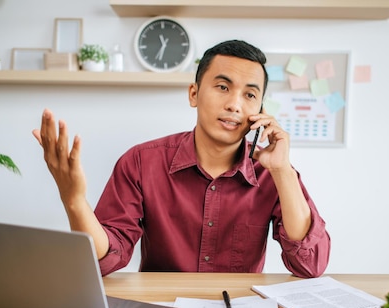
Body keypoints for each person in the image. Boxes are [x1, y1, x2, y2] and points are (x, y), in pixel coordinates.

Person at [32, 40, 330, 278]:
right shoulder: (140, 162)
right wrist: (74, 200)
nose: (234, 105)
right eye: (223, 87)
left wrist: (283, 172)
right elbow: (105, 260)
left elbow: (310, 265)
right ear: (194, 94)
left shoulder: (272, 173)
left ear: (260, 110)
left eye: (250, 95)